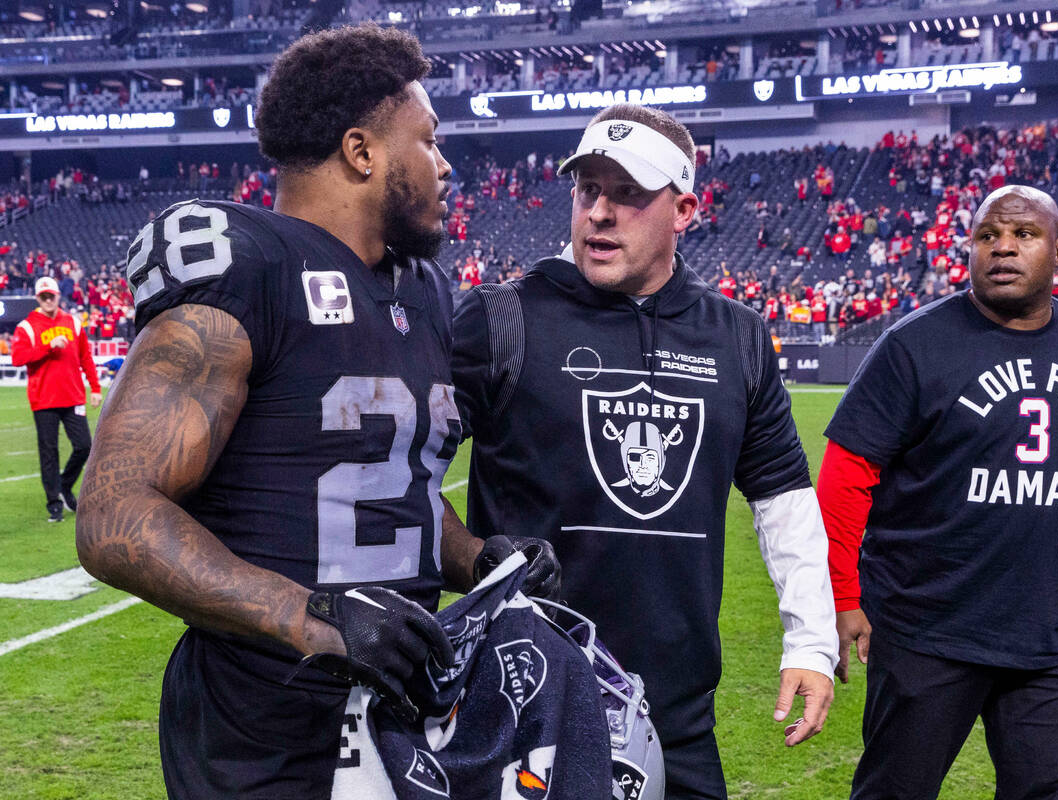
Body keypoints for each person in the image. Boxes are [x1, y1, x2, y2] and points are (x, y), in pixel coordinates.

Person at [75, 25, 558, 799]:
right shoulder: (250, 267)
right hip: (261, 734)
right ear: (362, 152)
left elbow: (385, 492)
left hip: (401, 717)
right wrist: (313, 619)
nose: (446, 166)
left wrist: (480, 560)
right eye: (428, 141)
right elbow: (111, 514)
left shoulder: (426, 293)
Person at [450, 104, 837, 800]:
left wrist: (810, 643)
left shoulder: (737, 338)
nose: (600, 212)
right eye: (587, 189)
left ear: (683, 208)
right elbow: (403, 479)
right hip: (520, 710)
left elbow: (783, 499)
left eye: (628, 193)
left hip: (678, 719)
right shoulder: (499, 317)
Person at [818, 185, 1058, 799]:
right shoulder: (915, 344)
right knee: (896, 792)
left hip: (1050, 633)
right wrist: (842, 594)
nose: (1004, 248)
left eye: (1024, 234)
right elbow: (845, 480)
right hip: (924, 628)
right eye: (988, 236)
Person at [10, 275, 101, 522]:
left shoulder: (73, 322)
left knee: (84, 446)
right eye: (44, 296)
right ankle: (54, 503)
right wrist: (49, 345)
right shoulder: (26, 327)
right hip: (44, 400)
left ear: (58, 295)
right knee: (48, 453)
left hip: (73, 397)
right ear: (38, 298)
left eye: (52, 295)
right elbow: (17, 358)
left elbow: (86, 358)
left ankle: (64, 485)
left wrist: (95, 387)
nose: (48, 299)